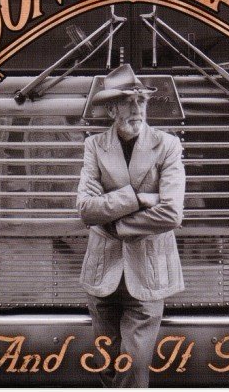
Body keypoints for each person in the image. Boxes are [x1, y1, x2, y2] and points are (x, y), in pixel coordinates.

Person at [76, 63, 185, 387]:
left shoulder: (167, 145)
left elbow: (171, 213)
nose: (137, 109)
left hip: (147, 273)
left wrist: (117, 227)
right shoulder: (95, 146)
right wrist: (138, 198)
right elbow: (86, 209)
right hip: (102, 273)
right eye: (127, 101)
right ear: (112, 109)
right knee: (106, 367)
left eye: (141, 101)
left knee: (134, 368)